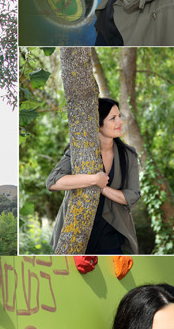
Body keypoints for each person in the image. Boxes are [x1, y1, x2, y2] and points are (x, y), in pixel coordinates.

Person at [47, 98, 141, 254]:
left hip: (113, 230)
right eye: (113, 118)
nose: (120, 122)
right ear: (97, 123)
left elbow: (132, 196)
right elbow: (52, 182)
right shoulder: (78, 151)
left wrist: (103, 188)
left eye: (119, 116)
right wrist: (94, 180)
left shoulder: (128, 155)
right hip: (79, 229)